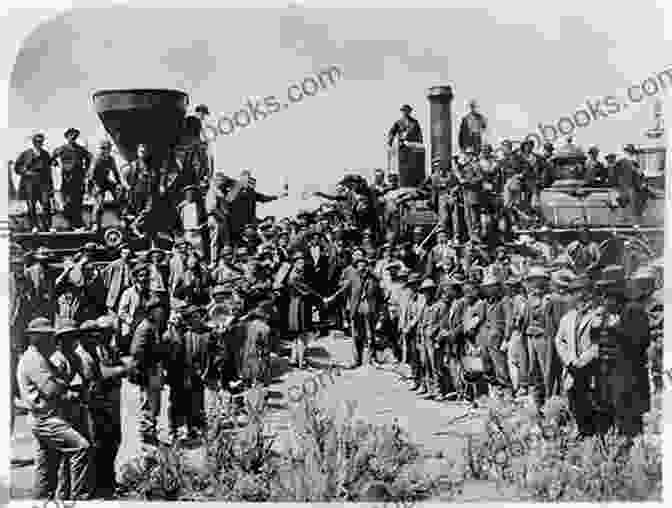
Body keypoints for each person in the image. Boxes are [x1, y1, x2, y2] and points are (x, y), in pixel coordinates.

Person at [17, 317, 91, 500]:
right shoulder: (34, 359)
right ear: (34, 337)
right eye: (46, 335)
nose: (51, 339)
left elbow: (57, 382)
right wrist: (66, 388)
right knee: (81, 447)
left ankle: (43, 500)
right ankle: (78, 499)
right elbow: (52, 389)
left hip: (45, 417)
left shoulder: (40, 357)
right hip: (46, 419)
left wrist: (62, 384)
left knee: (46, 471)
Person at [89, 315, 131, 498]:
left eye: (109, 333)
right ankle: (101, 483)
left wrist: (122, 369)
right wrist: (121, 370)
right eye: (104, 333)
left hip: (113, 401)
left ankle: (109, 479)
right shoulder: (94, 351)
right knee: (101, 443)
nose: (107, 336)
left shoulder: (110, 350)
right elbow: (102, 374)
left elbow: (121, 366)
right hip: (100, 402)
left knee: (114, 440)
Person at [554, 276, 601, 437]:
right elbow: (559, 340)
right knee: (574, 400)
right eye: (574, 293)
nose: (577, 296)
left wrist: (583, 361)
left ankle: (594, 435)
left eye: (580, 292)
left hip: (591, 370)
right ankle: (581, 430)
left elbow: (598, 343)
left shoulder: (598, 316)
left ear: (589, 293)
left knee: (591, 402)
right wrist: (568, 361)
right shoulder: (567, 318)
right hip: (571, 369)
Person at [326, 257, 384, 367]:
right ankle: (357, 359)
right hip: (356, 309)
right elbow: (342, 289)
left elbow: (380, 294)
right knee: (357, 335)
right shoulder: (353, 278)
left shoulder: (372, 279)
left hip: (369, 309)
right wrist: (331, 298)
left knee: (370, 335)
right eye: (359, 265)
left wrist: (380, 312)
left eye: (364, 265)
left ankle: (372, 359)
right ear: (356, 267)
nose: (362, 267)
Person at [129, 295, 168, 447]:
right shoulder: (145, 327)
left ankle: (151, 432)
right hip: (148, 370)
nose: (162, 313)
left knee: (154, 403)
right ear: (151, 312)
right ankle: (147, 436)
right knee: (148, 403)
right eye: (159, 311)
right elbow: (136, 351)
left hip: (153, 369)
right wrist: (145, 368)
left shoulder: (153, 326)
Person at [226, 169, 286, 243]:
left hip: (248, 222)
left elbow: (264, 198)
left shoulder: (252, 194)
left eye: (253, 184)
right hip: (236, 222)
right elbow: (229, 200)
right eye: (249, 183)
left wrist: (278, 196)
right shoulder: (236, 189)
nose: (252, 186)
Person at [51, 128, 92, 230]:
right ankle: (71, 223)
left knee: (77, 201)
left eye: (75, 136)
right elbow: (51, 159)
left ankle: (77, 224)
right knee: (67, 202)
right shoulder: (61, 149)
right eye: (71, 136)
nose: (73, 138)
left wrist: (86, 169)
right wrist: (56, 164)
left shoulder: (81, 149)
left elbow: (89, 158)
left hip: (78, 178)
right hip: (67, 178)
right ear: (67, 137)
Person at [14, 133, 53, 231]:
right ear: (33, 142)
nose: (39, 143)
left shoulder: (45, 154)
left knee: (46, 203)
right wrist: (26, 172)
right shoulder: (26, 153)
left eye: (41, 142)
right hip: (29, 183)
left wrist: (50, 186)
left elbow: (48, 171)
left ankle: (47, 227)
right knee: (31, 205)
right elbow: (17, 167)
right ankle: (34, 226)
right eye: (37, 142)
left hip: (43, 182)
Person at [88, 140, 125, 231]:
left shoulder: (111, 159)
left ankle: (122, 217)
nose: (106, 151)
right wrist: (93, 189)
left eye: (108, 149)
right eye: (103, 149)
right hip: (95, 182)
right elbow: (90, 176)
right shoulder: (96, 160)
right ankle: (95, 223)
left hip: (105, 181)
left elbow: (116, 173)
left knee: (120, 192)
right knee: (99, 202)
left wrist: (119, 184)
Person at [117, 263, 151, 354]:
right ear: (136, 278)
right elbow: (121, 312)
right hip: (131, 328)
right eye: (141, 276)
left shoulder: (149, 293)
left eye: (146, 275)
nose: (144, 278)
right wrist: (131, 321)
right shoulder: (128, 293)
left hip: (145, 327)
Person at [206, 173, 234, 264]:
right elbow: (212, 207)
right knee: (216, 241)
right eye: (220, 181)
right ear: (216, 181)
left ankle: (226, 261)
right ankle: (214, 261)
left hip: (221, 218)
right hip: (216, 217)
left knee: (225, 241)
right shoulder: (213, 191)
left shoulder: (219, 191)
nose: (223, 183)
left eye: (223, 181)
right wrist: (222, 217)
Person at [101, 243, 134, 314]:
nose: (126, 255)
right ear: (121, 254)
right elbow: (104, 273)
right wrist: (108, 285)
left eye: (128, 253)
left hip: (127, 289)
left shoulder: (131, 264)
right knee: (113, 307)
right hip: (116, 289)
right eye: (124, 253)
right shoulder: (114, 264)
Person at [24, 247, 55, 321]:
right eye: (42, 259)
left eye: (46, 260)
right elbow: (28, 288)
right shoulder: (30, 271)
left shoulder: (51, 271)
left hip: (47, 302)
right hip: (34, 302)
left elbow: (51, 286)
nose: (44, 261)